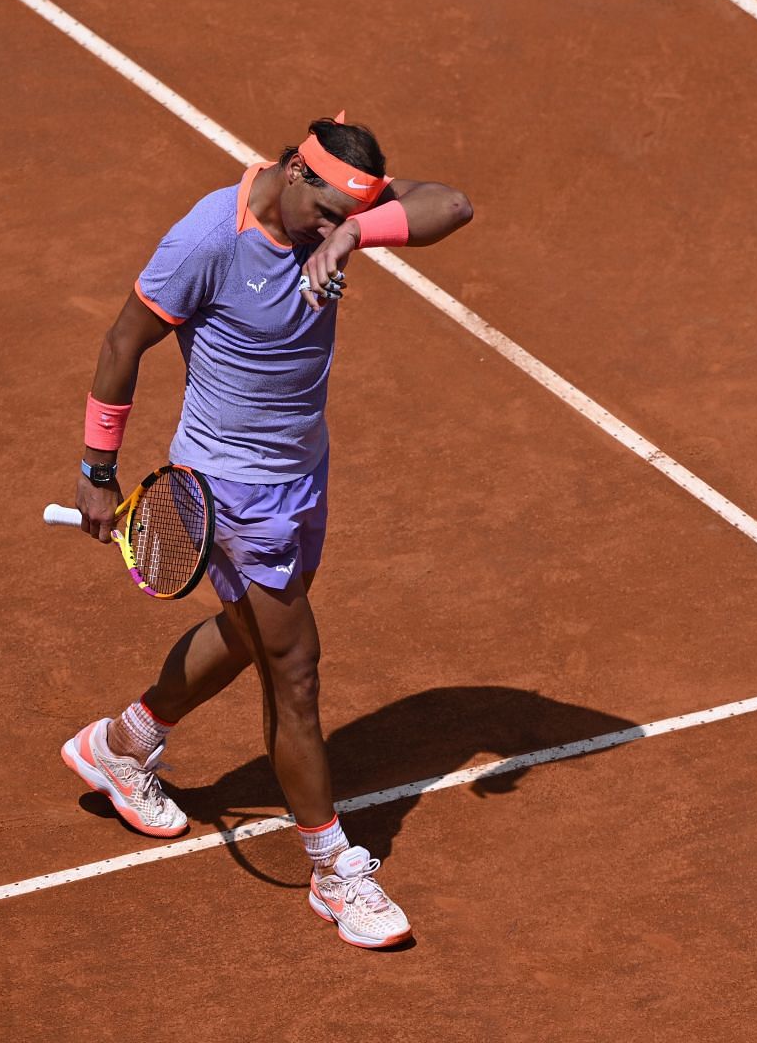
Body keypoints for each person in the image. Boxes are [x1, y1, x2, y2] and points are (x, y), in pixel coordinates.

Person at [60, 112, 473, 949]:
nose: (329, 230)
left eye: (342, 217)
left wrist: (354, 232)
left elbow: (451, 205)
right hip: (233, 490)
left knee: (252, 633)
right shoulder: (207, 239)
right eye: (323, 214)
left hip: (302, 472)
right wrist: (98, 472)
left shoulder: (334, 214)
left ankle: (121, 744)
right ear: (294, 173)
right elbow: (122, 343)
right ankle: (333, 871)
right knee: (295, 669)